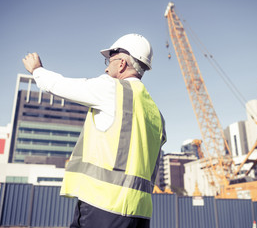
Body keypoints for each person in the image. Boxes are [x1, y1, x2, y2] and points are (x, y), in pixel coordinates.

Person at [22, 33, 167, 228]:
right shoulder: (156, 113)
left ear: (122, 64)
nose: (106, 67)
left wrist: (37, 70)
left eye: (110, 61)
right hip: (139, 212)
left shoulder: (113, 89)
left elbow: (61, 86)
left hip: (104, 205)